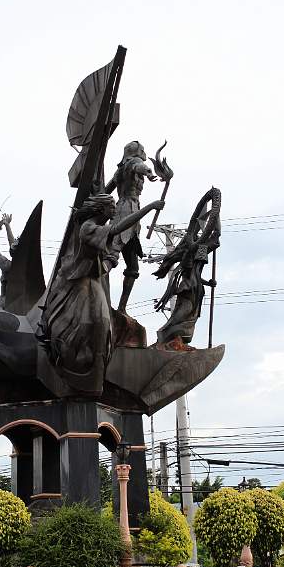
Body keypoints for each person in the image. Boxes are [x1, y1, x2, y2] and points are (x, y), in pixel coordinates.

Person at [39, 193, 165, 392]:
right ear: (101, 209)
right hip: (77, 284)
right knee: (88, 323)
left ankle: (96, 371)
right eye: (111, 206)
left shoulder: (95, 229)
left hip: (92, 280)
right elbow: (116, 229)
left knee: (103, 323)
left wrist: (109, 262)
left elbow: (102, 259)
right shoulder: (88, 227)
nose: (115, 209)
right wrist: (149, 207)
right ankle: (76, 364)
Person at [105, 141, 158, 313]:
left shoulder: (118, 171)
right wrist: (150, 173)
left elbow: (105, 191)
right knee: (112, 255)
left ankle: (121, 308)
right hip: (126, 211)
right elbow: (140, 167)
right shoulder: (133, 163)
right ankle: (95, 292)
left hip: (132, 213)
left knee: (132, 265)